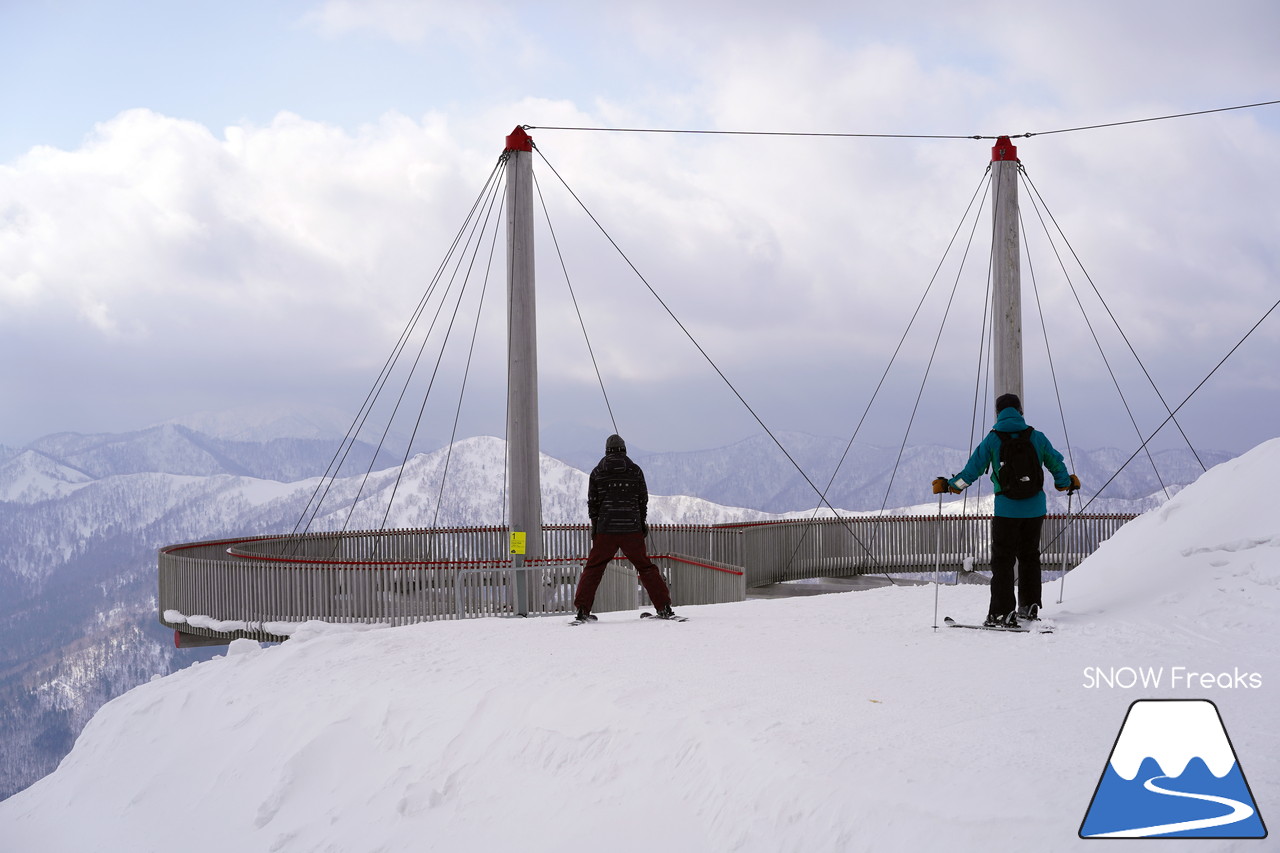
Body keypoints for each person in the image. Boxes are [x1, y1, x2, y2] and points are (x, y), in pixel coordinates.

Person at [932, 393, 1080, 627]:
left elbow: (972, 472)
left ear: (998, 413)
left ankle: (1001, 613)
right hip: (1034, 509)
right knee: (1030, 556)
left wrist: (950, 487)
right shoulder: (1037, 437)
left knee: (1003, 561)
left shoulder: (992, 440)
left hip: (1007, 511)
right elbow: (1056, 463)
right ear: (1020, 411)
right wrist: (1065, 483)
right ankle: (1029, 606)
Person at [572, 434, 677, 622]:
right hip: (631, 529)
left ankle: (582, 609)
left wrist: (596, 527)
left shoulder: (598, 472)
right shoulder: (635, 471)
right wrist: (640, 522)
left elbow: (593, 504)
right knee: (645, 567)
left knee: (594, 568)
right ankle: (664, 607)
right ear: (624, 449)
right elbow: (642, 501)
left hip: (606, 529)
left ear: (606, 450)